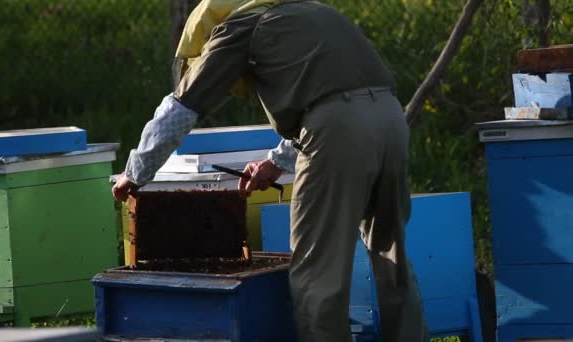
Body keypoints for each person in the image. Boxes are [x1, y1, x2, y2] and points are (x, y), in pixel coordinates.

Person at [112, 0, 429, 341]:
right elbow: (336, 95)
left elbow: (181, 107)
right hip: (391, 120)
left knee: (316, 272)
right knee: (390, 251)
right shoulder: (310, 11)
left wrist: (136, 170)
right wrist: (277, 162)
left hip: (336, 129)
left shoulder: (237, 27)